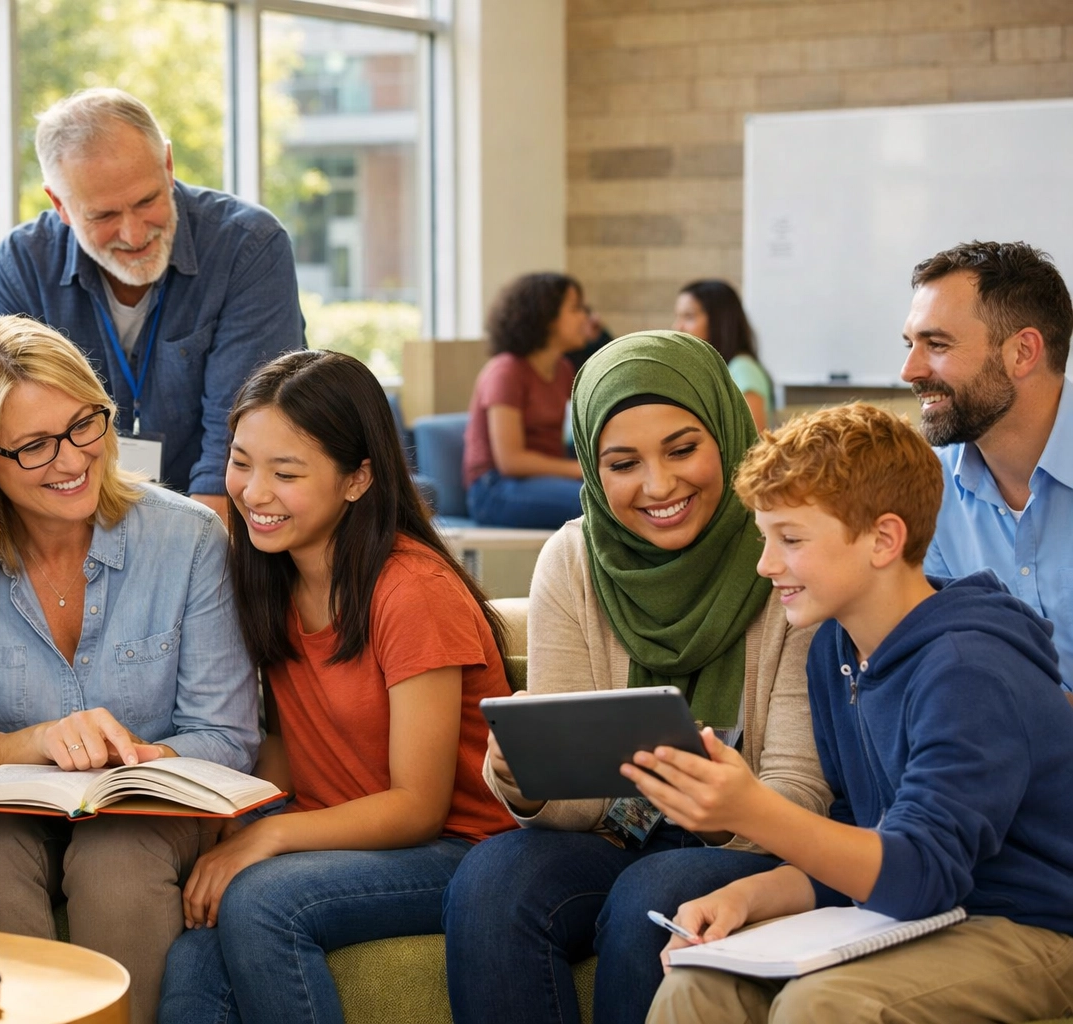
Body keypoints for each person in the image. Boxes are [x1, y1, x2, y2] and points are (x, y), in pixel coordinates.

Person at [442, 331, 831, 1024]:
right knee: (493, 879)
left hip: (753, 843)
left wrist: (720, 806)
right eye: (623, 463)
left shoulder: (785, 552)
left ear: (728, 433)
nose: (658, 486)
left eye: (683, 450)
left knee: (655, 893)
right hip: (614, 836)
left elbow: (800, 798)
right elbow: (579, 806)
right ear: (593, 467)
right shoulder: (572, 558)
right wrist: (525, 776)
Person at [645, 402, 1073, 1023]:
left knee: (824, 1006)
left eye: (790, 539)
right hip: (914, 917)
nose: (766, 565)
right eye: (767, 538)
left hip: (1033, 926)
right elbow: (857, 838)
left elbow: (923, 872)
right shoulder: (834, 652)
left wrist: (753, 812)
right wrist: (746, 895)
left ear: (883, 539)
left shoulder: (968, 670)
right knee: (698, 985)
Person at [0, 315, 260, 1024]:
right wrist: (38, 741)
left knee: (115, 858)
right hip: (14, 810)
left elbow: (226, 736)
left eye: (84, 425)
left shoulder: (188, 538)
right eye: (34, 445)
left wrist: (135, 762)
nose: (72, 460)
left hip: (150, 811)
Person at [158, 350, 517, 1024]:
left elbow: (418, 806)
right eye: (241, 461)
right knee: (191, 955)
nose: (254, 492)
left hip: (455, 848)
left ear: (357, 479)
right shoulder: (268, 573)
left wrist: (268, 839)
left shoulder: (412, 591)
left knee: (261, 900)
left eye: (285, 473)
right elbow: (294, 746)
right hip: (336, 831)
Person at [0, 87, 305, 513]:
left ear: (167, 165)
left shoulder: (249, 248)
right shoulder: (22, 265)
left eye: (147, 200)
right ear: (60, 204)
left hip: (219, 522)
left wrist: (171, 569)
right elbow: (7, 444)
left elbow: (240, 452)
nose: (134, 235)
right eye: (104, 216)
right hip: (68, 522)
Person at [900, 241, 1073, 691]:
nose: (909, 370)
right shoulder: (928, 488)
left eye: (936, 344)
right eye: (910, 344)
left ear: (1022, 352)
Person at [463, 273, 590, 528]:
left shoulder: (564, 369)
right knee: (599, 502)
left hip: (547, 482)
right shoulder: (505, 371)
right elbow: (511, 461)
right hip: (494, 490)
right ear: (547, 317)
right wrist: (581, 470)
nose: (585, 317)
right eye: (575, 308)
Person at [673, 279, 774, 431]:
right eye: (678, 317)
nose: (677, 327)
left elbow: (754, 442)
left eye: (689, 317)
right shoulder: (717, 370)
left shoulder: (742, 368)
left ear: (718, 320)